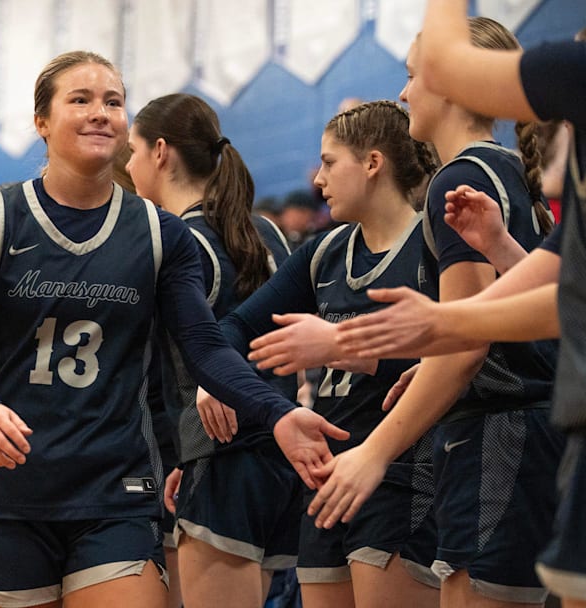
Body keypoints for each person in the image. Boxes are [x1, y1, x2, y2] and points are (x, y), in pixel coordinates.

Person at [0, 50, 347, 608]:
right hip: (9, 491)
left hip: (115, 489)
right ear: (41, 122)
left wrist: (276, 412)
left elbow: (204, 347)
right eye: (79, 100)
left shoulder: (161, 234)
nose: (100, 112)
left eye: (113, 101)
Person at [323, 2, 586, 606]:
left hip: (503, 433)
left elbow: (468, 350)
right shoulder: (506, 172)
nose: (406, 89)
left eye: (414, 74)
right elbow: (557, 288)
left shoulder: (458, 176)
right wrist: (442, 322)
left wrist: (374, 448)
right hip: (539, 426)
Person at [205, 101, 441, 608]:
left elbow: (460, 357)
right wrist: (215, 377)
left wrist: (349, 347)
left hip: (402, 473)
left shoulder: (433, 244)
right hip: (326, 476)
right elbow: (239, 325)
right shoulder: (325, 250)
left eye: (330, 162)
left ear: (372, 163)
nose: (318, 179)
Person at [124, 92, 299, 608]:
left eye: (132, 151)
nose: (129, 166)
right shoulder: (265, 231)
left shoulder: (175, 238)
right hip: (277, 453)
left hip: (223, 454)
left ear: (160, 152)